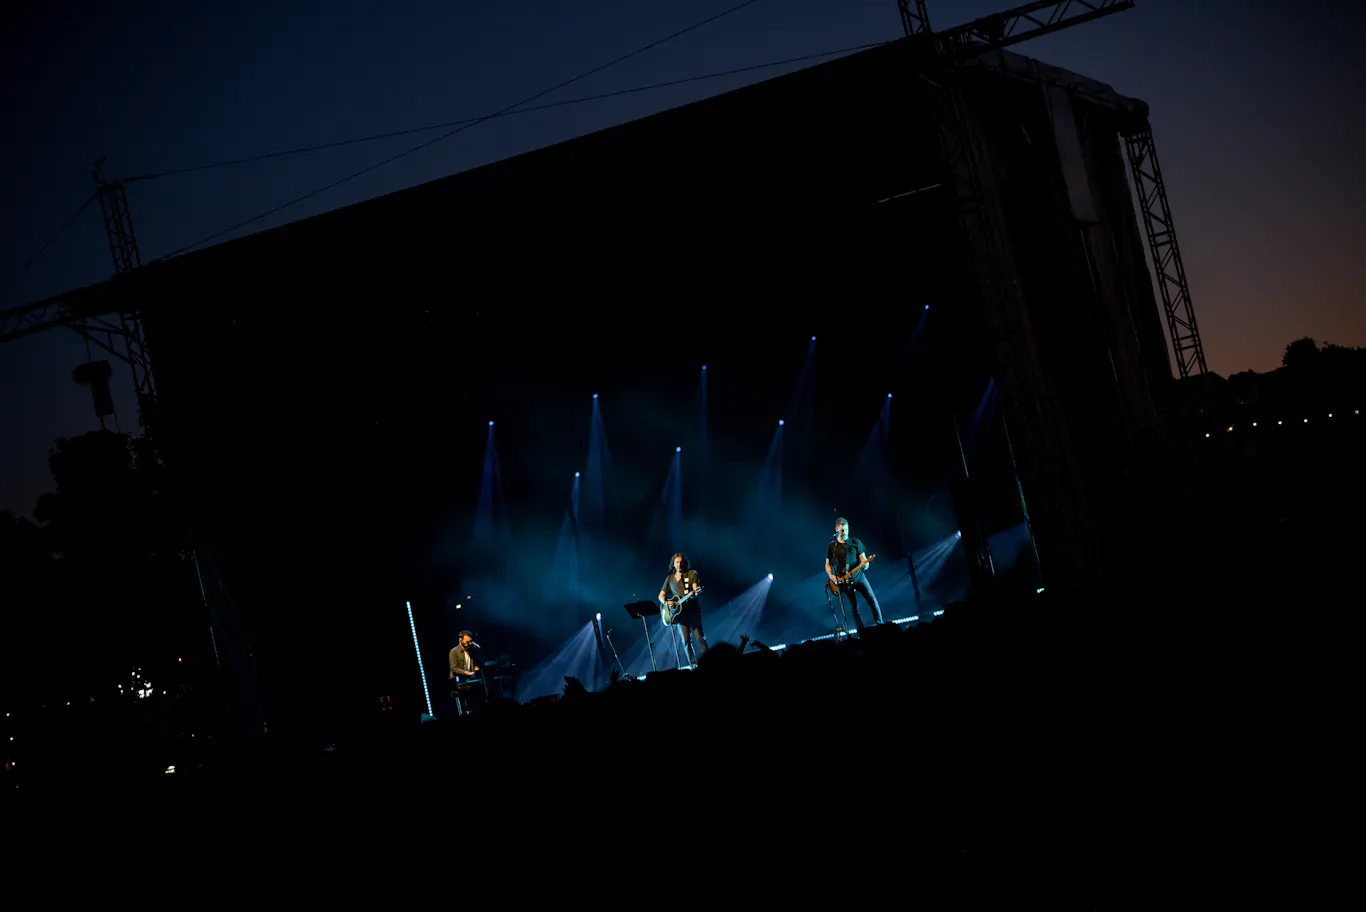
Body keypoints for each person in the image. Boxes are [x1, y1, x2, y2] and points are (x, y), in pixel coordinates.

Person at [826, 517, 883, 630]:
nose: (845, 533)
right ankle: (862, 633)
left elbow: (864, 561)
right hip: (845, 582)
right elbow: (827, 565)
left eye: (846, 529)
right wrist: (832, 577)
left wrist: (865, 564)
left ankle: (881, 626)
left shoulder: (856, 542)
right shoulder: (833, 546)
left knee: (873, 601)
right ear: (836, 529)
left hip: (859, 577)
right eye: (842, 530)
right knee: (854, 608)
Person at [659, 552, 708, 666]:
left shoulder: (691, 574)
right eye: (677, 562)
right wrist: (667, 602)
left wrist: (694, 594)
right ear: (673, 564)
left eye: (681, 562)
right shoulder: (670, 578)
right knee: (686, 642)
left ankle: (708, 662)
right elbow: (660, 596)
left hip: (693, 612)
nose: (679, 565)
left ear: (685, 563)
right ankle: (693, 665)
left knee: (700, 638)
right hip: (680, 615)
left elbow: (695, 590)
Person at [448, 630, 482, 715]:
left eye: (470, 641)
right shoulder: (454, 651)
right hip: (458, 681)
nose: (469, 644)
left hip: (470, 679)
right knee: (470, 692)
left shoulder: (471, 649)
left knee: (481, 689)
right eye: (467, 642)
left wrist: (476, 667)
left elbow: (479, 650)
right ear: (460, 640)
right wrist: (467, 673)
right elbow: (454, 668)